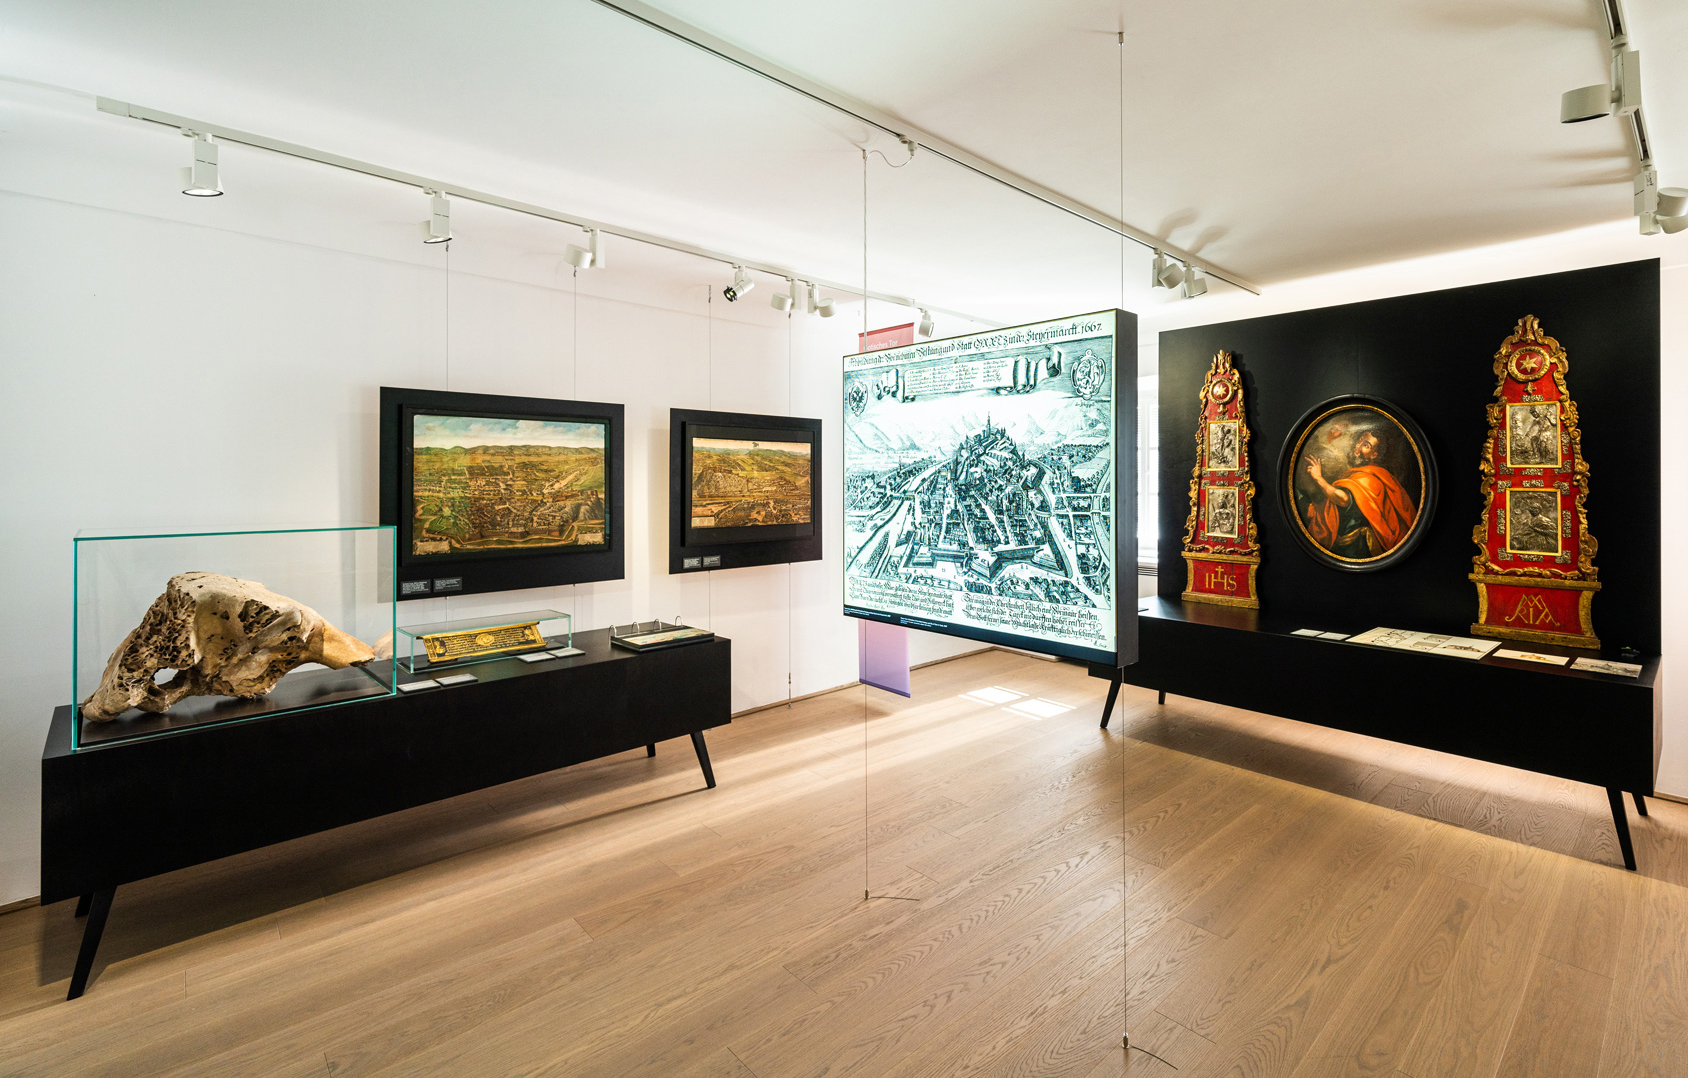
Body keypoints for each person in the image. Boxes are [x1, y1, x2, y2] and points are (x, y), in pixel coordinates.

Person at [1303, 429, 1417, 558]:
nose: (1357, 446)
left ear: (1374, 455)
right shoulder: (1361, 473)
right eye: (1360, 441)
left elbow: (1343, 499)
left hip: (1358, 547)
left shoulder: (1369, 479)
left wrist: (1319, 478)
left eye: (1366, 445)